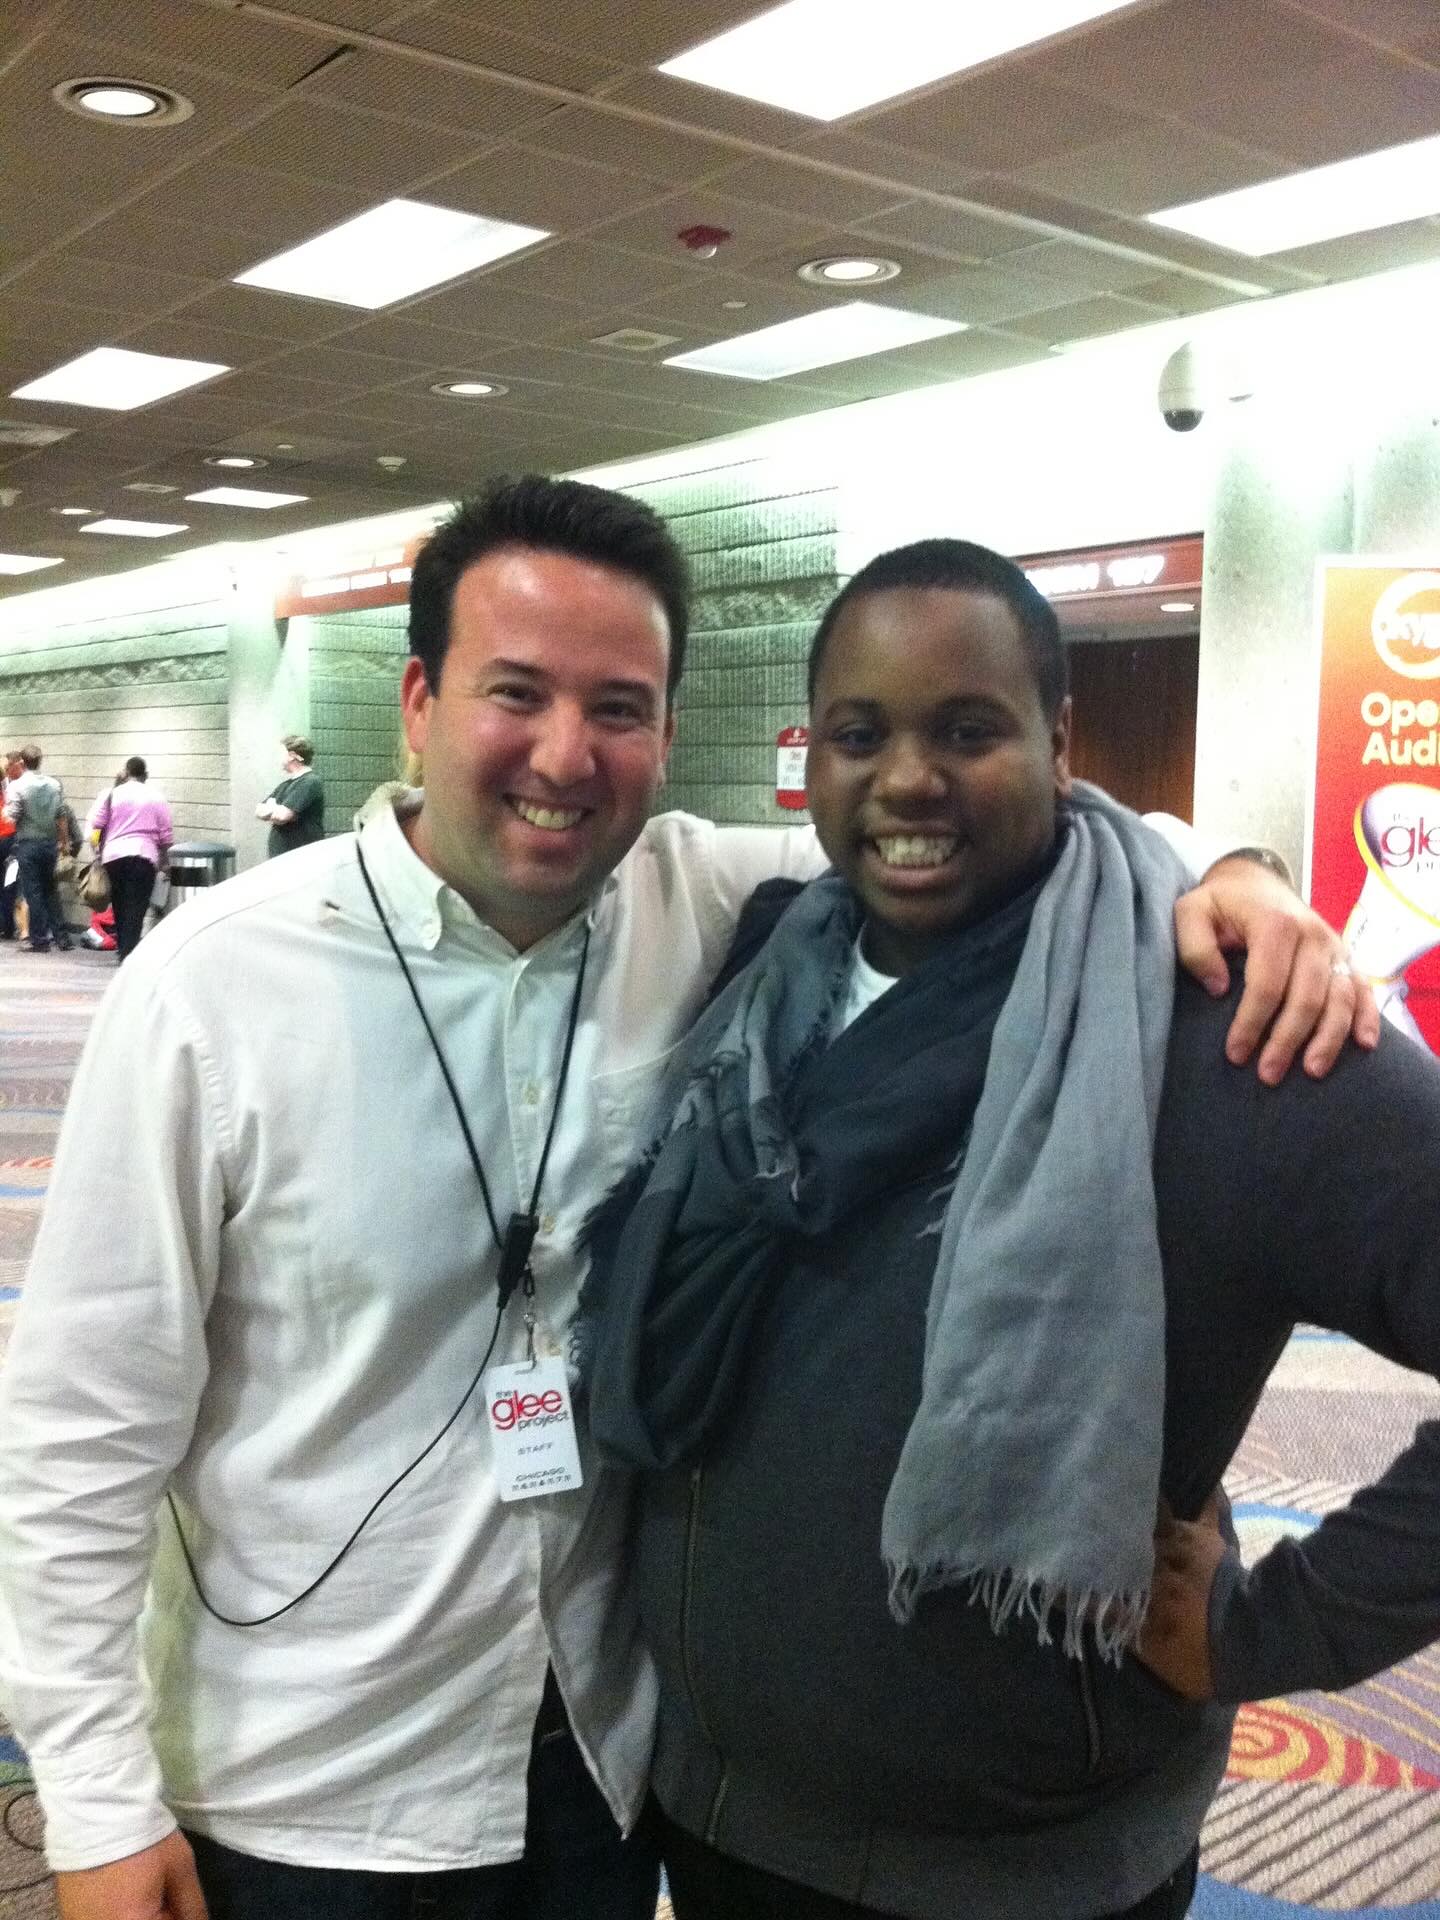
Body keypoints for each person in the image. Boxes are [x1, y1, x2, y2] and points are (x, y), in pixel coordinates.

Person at [0, 478, 1370, 1920]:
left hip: (602, 1777)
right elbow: (79, 1433)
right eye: (514, 693)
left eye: (620, 706)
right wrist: (92, 1803)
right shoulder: (212, 988)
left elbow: (1011, 831)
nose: (565, 755)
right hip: (301, 1799)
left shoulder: (705, 900)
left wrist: (1235, 870)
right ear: (416, 700)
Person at [582, 538, 1440, 1920]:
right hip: (724, 1828)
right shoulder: (763, 967)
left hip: (1028, 1875)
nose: (908, 780)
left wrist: (1283, 1627)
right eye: (862, 734)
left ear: (1061, 738)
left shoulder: (1223, 1029)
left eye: (968, 730)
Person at [91, 757, 174, 963]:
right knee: (137, 904)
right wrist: (165, 859)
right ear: (145, 774)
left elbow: (96, 826)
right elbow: (166, 834)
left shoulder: (112, 794)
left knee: (119, 902)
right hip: (144, 856)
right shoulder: (156, 797)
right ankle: (129, 951)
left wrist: (96, 851)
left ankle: (123, 949)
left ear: (127, 772)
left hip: (114, 856)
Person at [4, 742, 73, 952]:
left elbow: (13, 815)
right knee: (50, 890)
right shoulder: (54, 785)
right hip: (49, 844)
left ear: (23, 762)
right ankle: (63, 938)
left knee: (33, 892)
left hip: (28, 844)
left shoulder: (16, 786)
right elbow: (61, 815)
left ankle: (40, 939)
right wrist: (63, 841)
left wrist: (6, 813)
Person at [256, 735, 324, 856]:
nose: (278, 758)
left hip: (300, 857)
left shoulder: (310, 782)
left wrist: (273, 808)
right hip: (284, 857)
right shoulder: (285, 785)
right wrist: (277, 810)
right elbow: (259, 810)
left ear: (292, 756)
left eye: (280, 754)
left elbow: (282, 816)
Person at [0, 748, 23, 940]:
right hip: (10, 840)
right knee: (8, 884)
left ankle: (6, 926)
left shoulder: (11, 790)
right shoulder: (10, 792)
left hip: (7, 840)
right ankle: (7, 927)